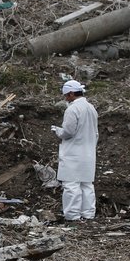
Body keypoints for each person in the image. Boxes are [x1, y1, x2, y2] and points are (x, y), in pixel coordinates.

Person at [52, 80, 99, 221]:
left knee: (71, 185)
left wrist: (57, 131)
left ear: (72, 94)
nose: (65, 98)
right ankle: (88, 214)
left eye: (66, 95)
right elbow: (95, 132)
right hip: (89, 152)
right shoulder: (91, 108)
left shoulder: (72, 109)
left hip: (73, 153)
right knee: (86, 184)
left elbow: (68, 132)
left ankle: (72, 216)